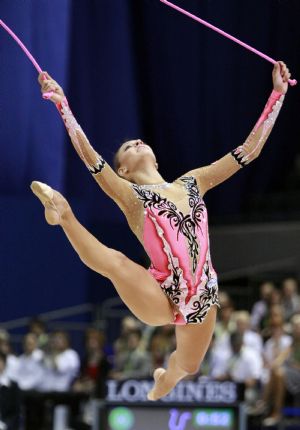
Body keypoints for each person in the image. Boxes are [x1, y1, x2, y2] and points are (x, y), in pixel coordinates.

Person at [31, 62, 290, 400]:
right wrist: (62, 105)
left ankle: (167, 378)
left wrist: (277, 96)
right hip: (158, 295)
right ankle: (64, 214)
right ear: (122, 170)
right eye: (128, 147)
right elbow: (91, 160)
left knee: (190, 365)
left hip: (203, 295)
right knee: (118, 263)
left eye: (139, 141)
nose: (136, 141)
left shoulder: (193, 182)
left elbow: (248, 152)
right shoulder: (131, 196)